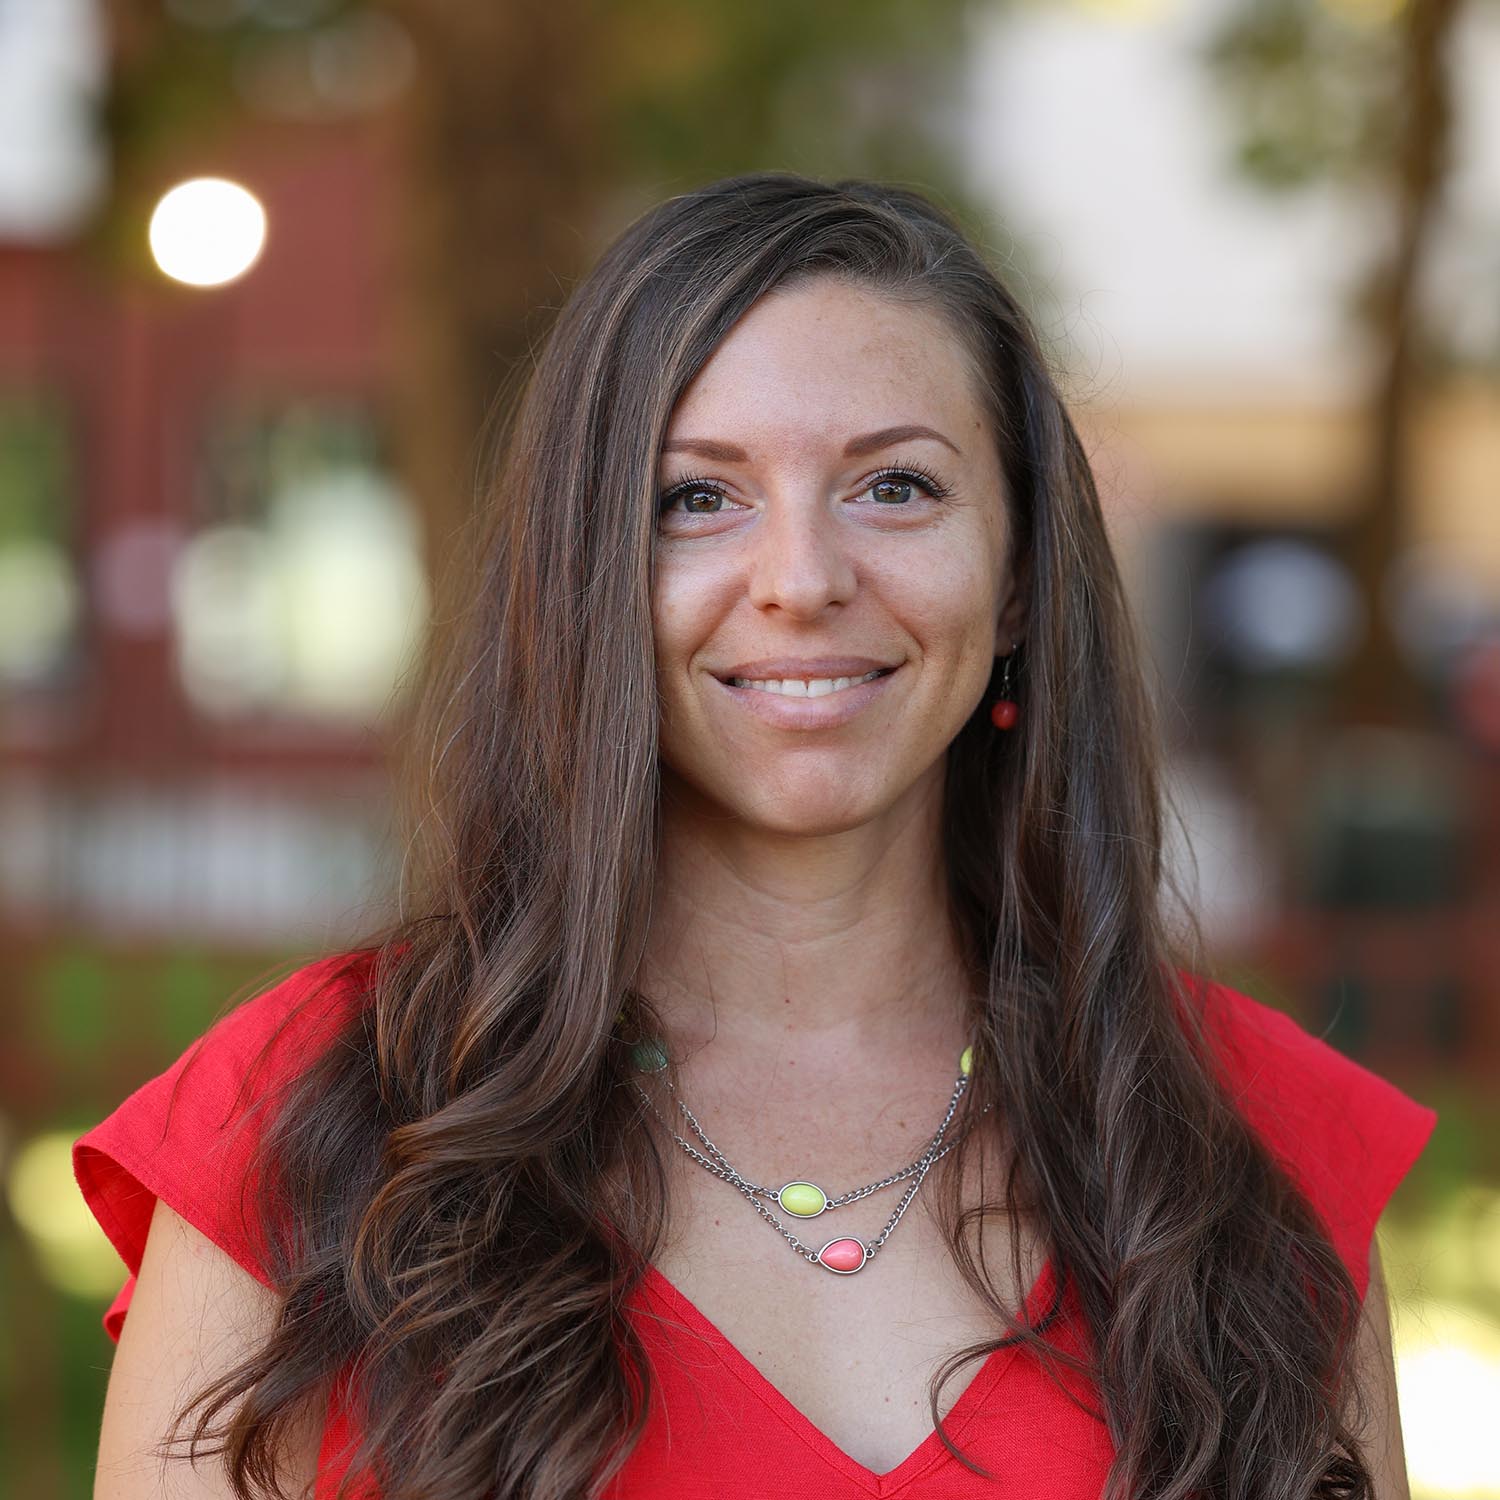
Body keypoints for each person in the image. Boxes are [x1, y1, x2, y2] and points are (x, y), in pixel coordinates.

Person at [75, 172, 1435, 1500]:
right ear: (590, 573)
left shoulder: (1260, 1139)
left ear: (1017, 575)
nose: (801, 581)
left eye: (896, 487)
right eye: (696, 499)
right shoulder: (303, 1123)